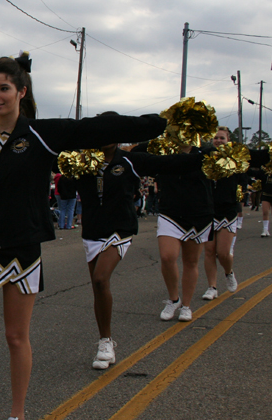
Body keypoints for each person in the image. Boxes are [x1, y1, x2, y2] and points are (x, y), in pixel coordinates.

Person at [0, 54, 165, 420]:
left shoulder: (43, 134)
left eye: (3, 89)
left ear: (21, 91)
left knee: (16, 337)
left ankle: (16, 417)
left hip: (23, 246)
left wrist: (156, 122)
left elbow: (98, 127)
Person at [71, 127, 202, 371]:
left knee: (100, 279)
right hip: (92, 231)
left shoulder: (131, 160)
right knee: (99, 289)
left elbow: (170, 162)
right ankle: (106, 340)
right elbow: (68, 191)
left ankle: (104, 345)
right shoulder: (84, 161)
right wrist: (70, 171)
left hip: (120, 228)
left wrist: (205, 155)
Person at [203, 128, 266, 298]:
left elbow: (243, 180)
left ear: (228, 140)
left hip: (228, 209)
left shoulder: (236, 158)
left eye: (222, 138)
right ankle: (212, 287)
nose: (218, 140)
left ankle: (229, 273)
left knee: (223, 253)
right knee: (209, 251)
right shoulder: (205, 156)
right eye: (215, 138)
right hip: (208, 209)